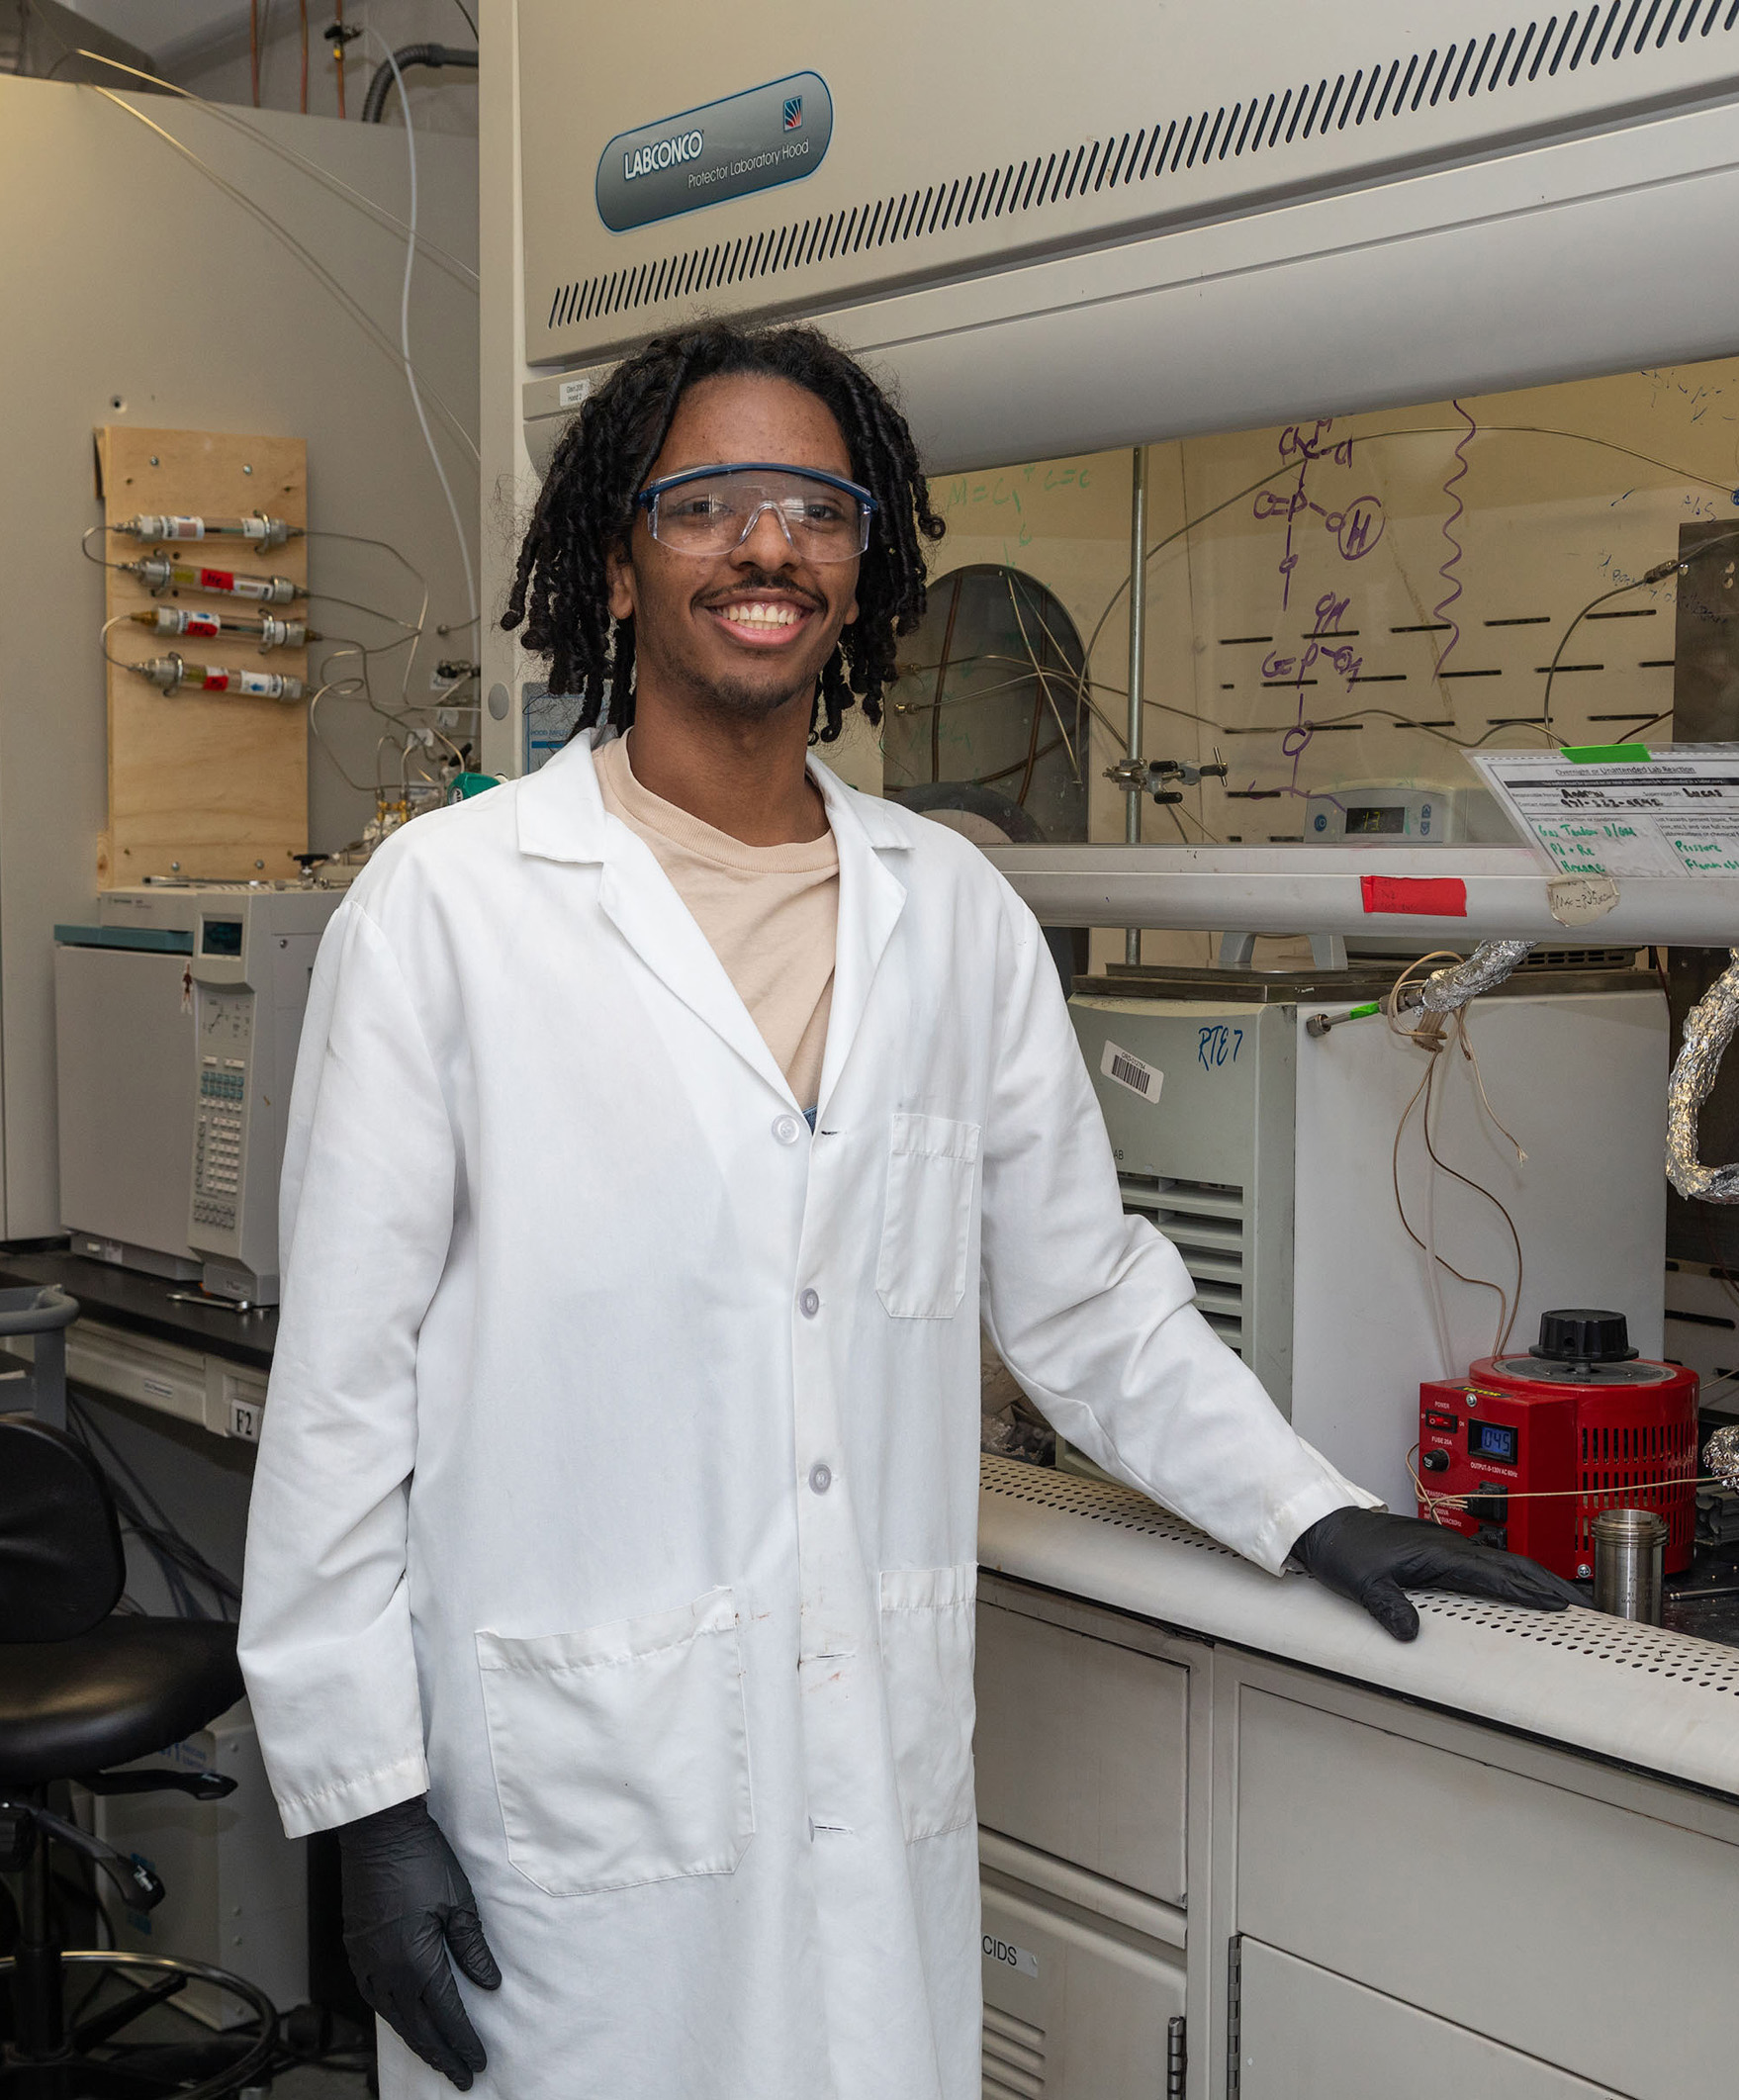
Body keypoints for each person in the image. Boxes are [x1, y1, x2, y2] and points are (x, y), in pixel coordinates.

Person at [237, 320, 1576, 2100]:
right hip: (567, 1789)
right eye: (706, 504)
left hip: (862, 1771)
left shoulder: (951, 914)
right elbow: (342, 1386)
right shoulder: (453, 907)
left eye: (814, 507)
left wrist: (1307, 1510)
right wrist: (365, 1801)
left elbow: (1084, 1296)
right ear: (621, 564)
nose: (765, 547)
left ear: (863, 569)